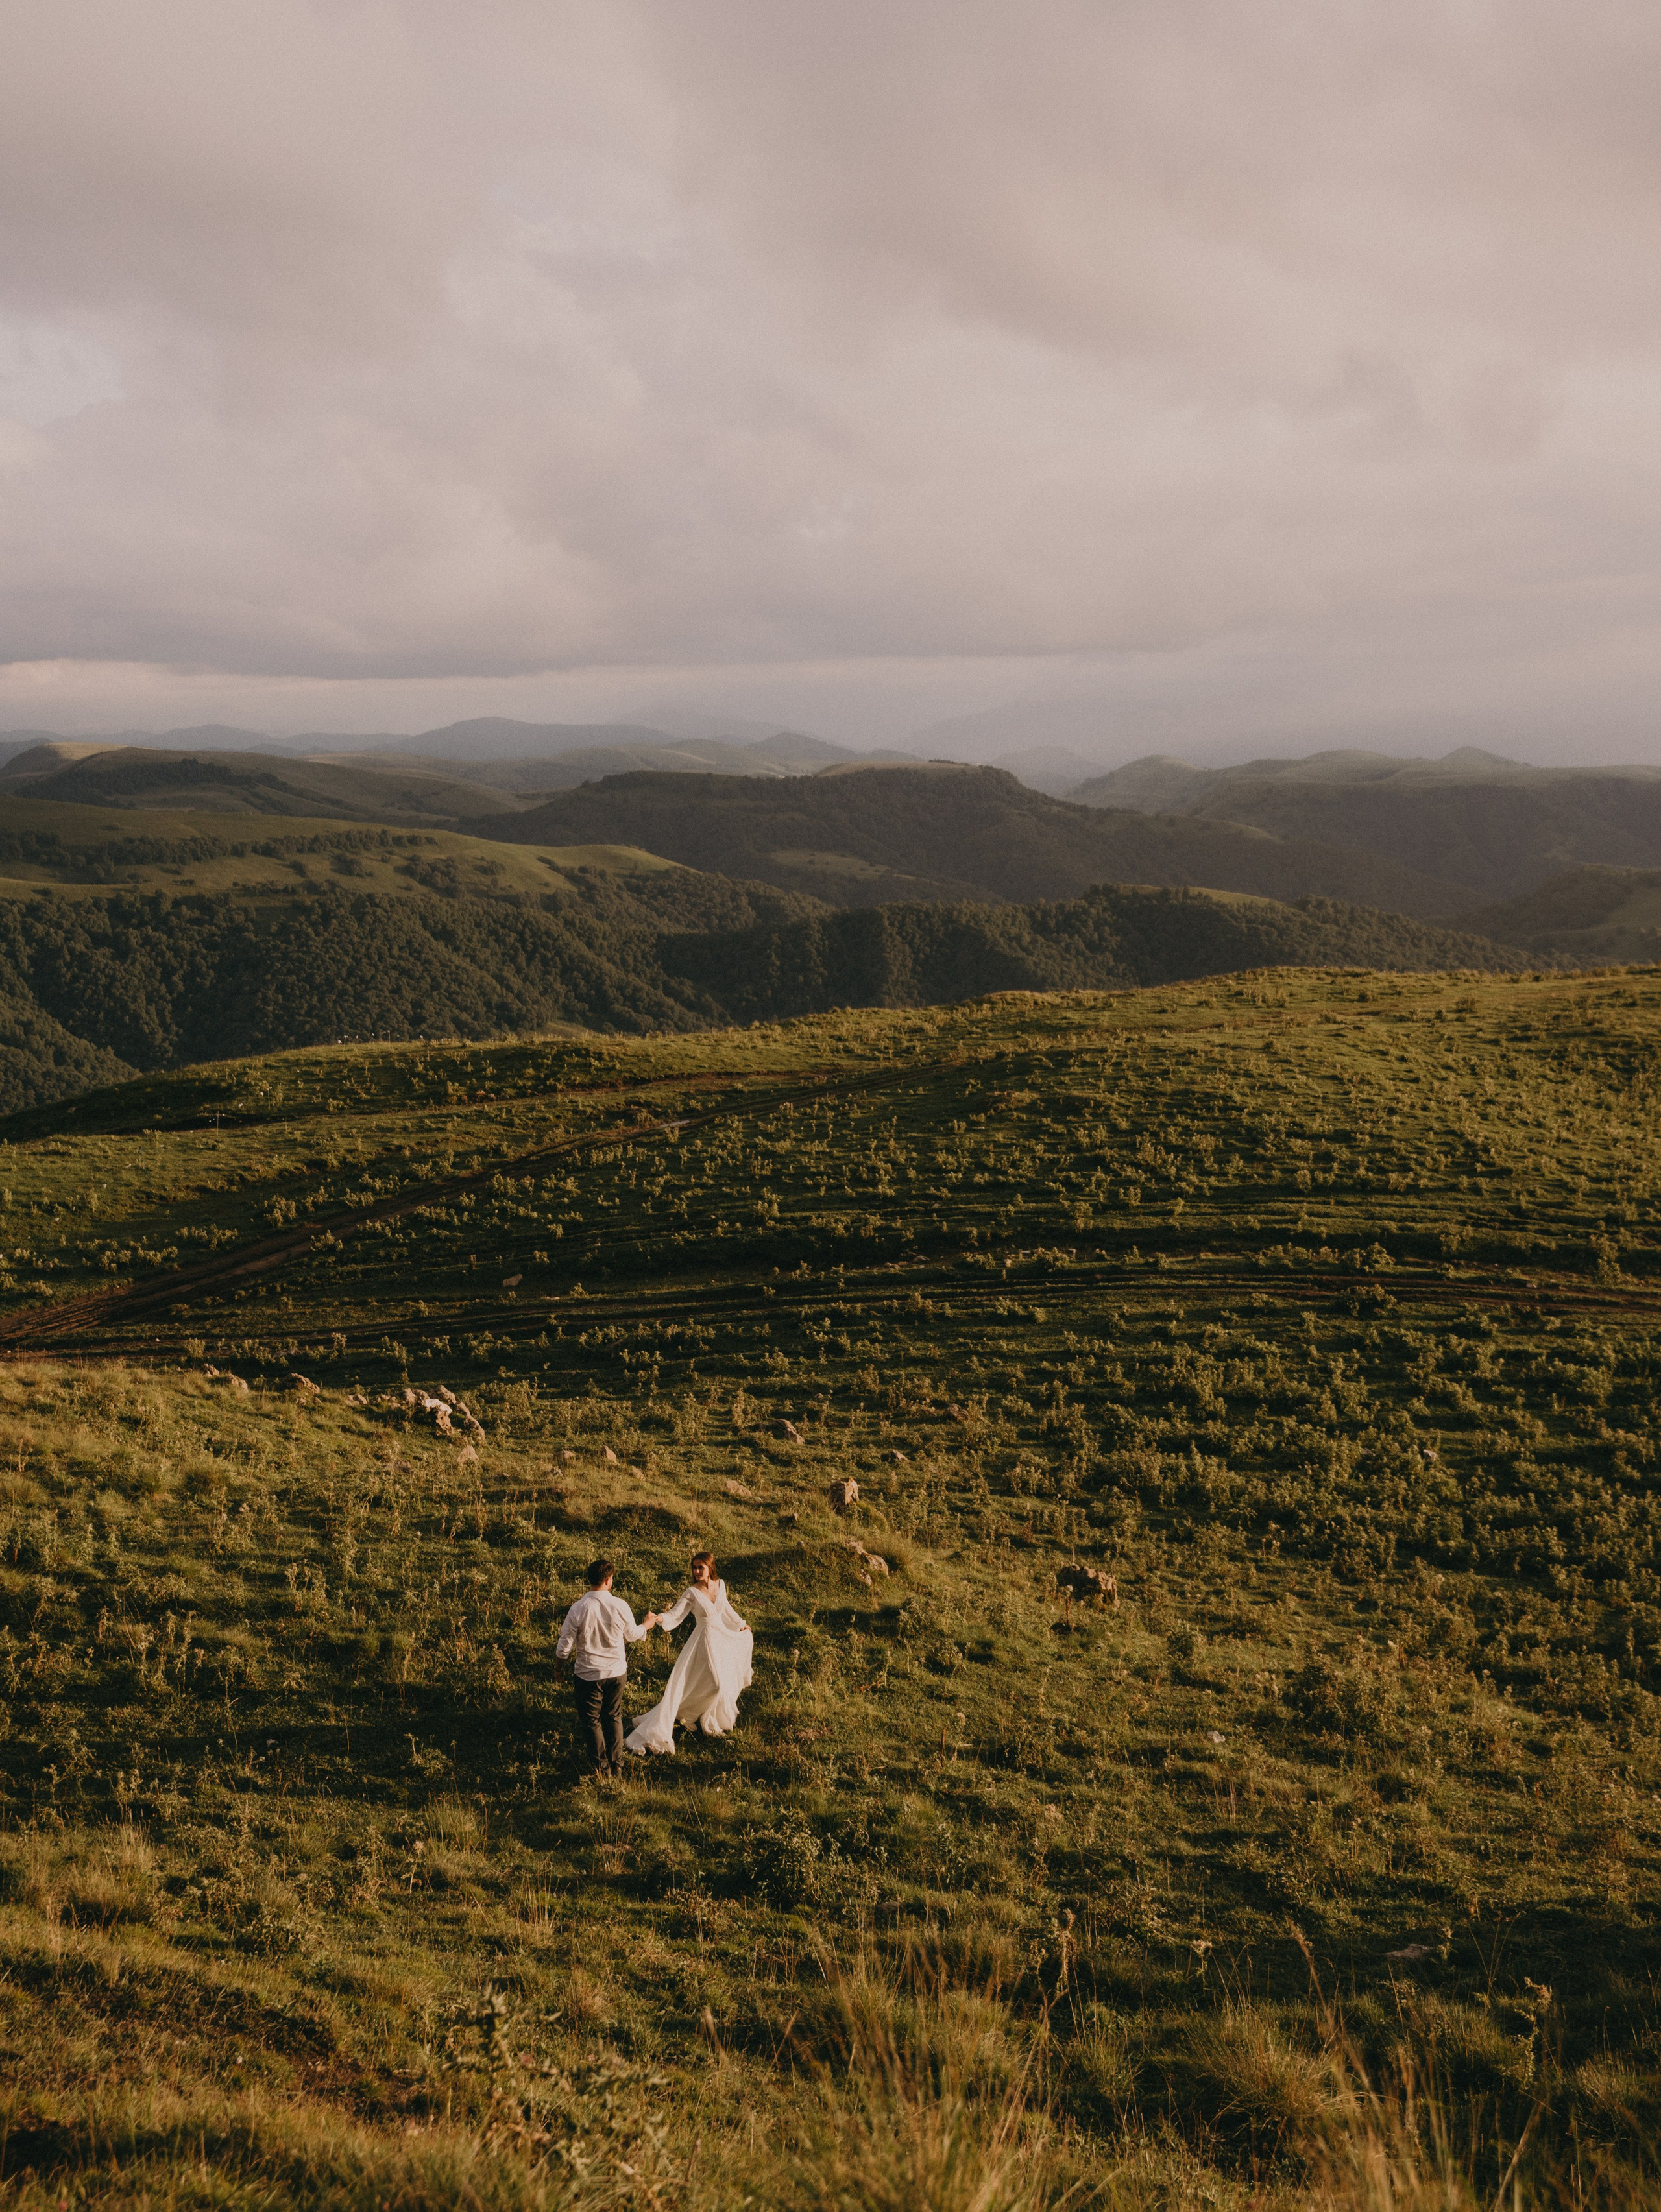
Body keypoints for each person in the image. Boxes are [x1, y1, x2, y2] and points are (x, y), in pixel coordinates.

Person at [627, 1550, 753, 1757]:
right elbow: (677, 1613)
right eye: (694, 1567)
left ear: (710, 1568)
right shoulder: (692, 1592)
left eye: (700, 1567)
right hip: (703, 1642)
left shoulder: (720, 1585)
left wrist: (741, 1625)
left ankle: (701, 1717)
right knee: (715, 1683)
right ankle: (688, 1713)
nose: (696, 1571)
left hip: (721, 1638)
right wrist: (660, 1618)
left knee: (715, 1682)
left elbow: (726, 1609)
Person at [554, 1559, 657, 1779]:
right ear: (609, 1580)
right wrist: (647, 1624)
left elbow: (564, 1646)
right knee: (613, 1716)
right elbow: (632, 1635)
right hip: (616, 1672)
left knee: (592, 1720)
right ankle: (617, 1765)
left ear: (590, 1580)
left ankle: (602, 1769)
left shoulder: (578, 1608)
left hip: (588, 1674)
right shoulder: (620, 1605)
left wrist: (558, 1669)